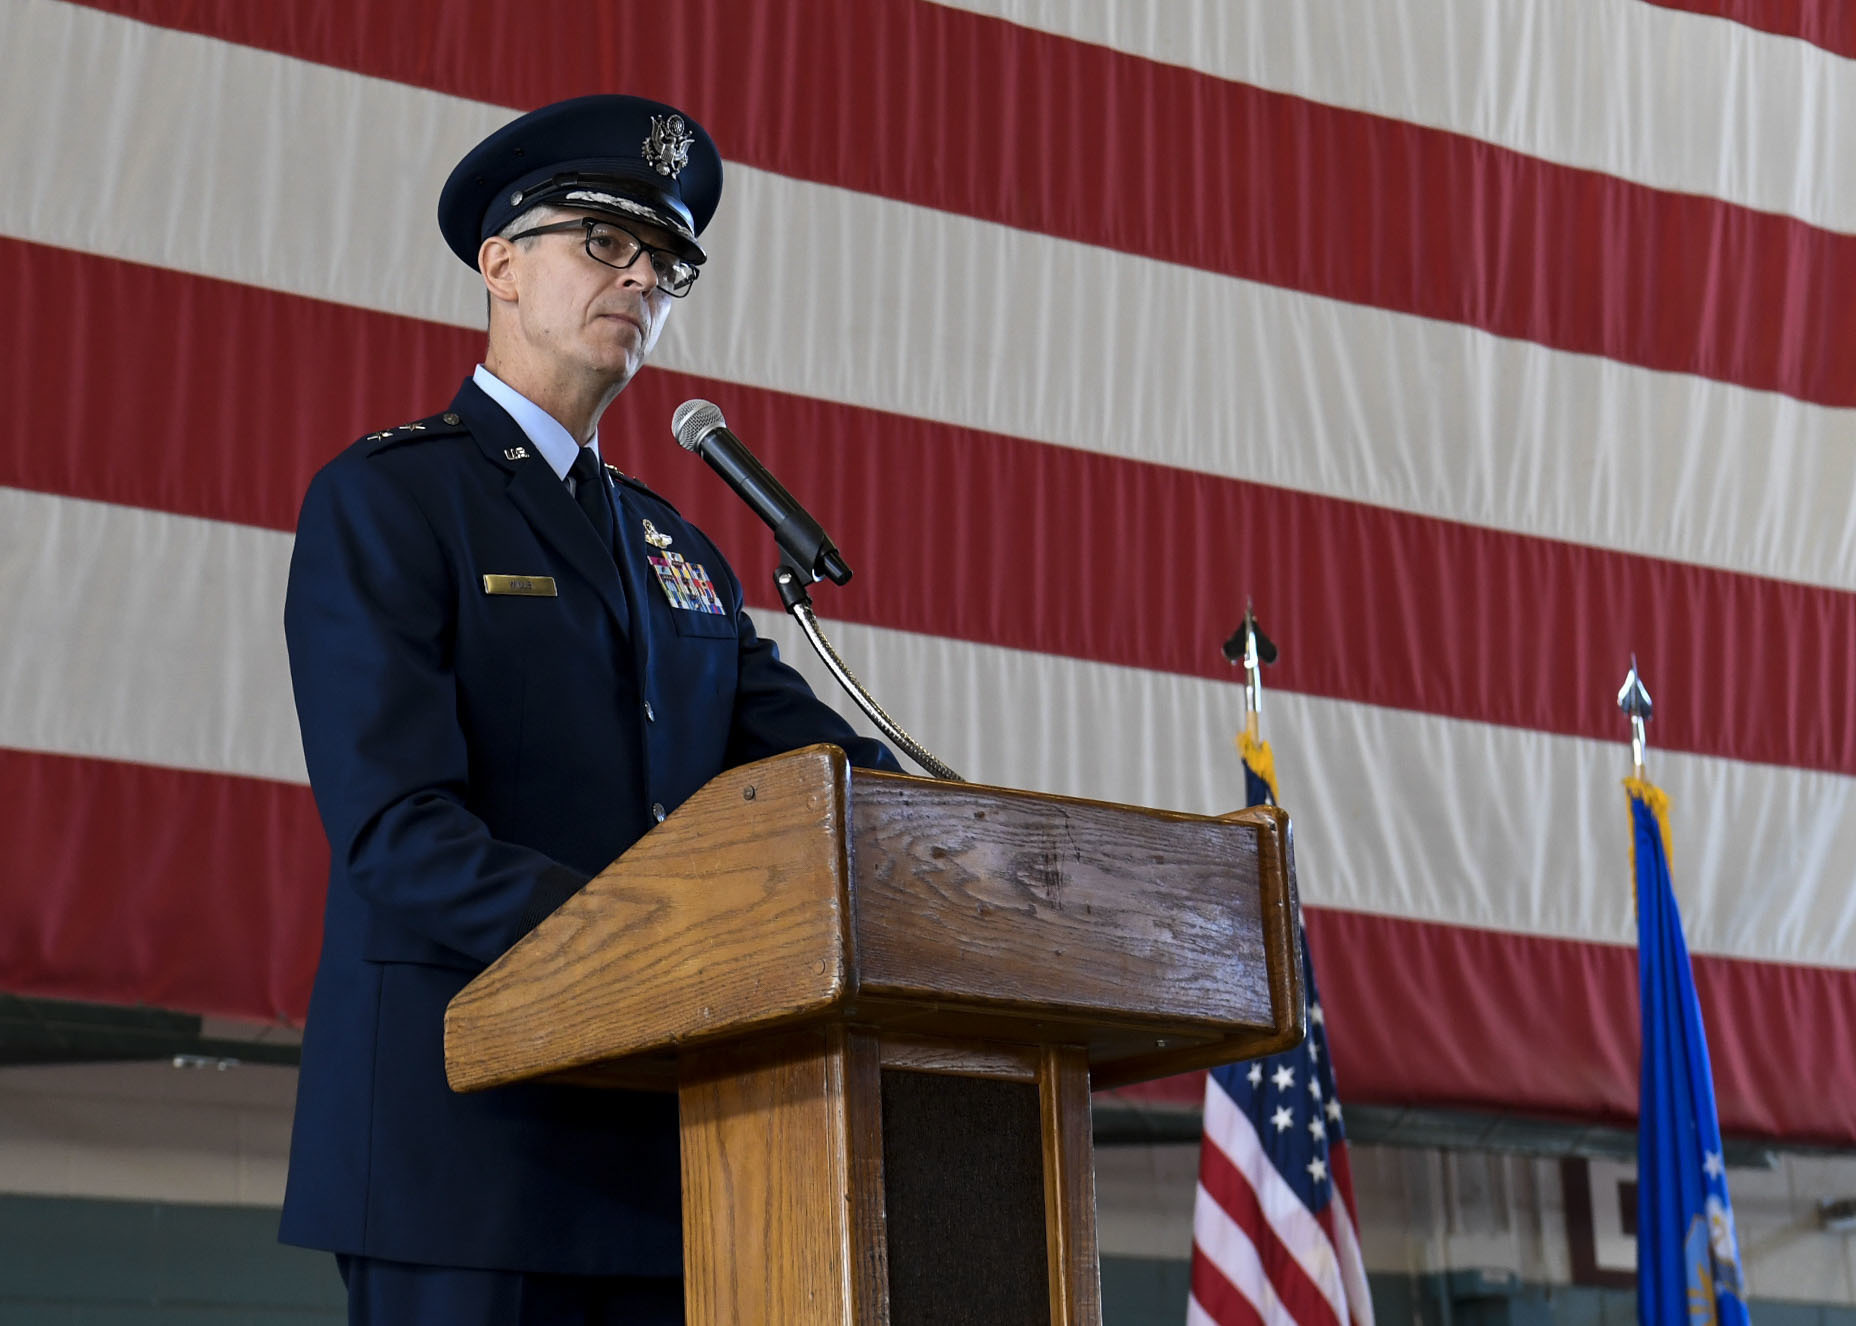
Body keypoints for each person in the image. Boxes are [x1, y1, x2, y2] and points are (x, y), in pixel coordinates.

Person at [279, 94, 898, 1324]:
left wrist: (973, 846)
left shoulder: (676, 547)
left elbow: (818, 773)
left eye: (664, 262)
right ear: (500, 266)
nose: (640, 281)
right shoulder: (390, 501)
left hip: (663, 1155)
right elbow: (398, 830)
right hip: (463, 1147)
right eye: (601, 244)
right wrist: (661, 953)